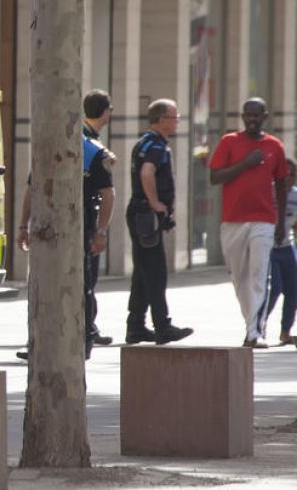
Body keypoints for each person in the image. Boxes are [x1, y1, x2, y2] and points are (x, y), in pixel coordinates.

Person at [15, 104, 115, 361]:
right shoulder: (45, 150)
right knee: (41, 284)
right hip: (46, 228)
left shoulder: (93, 152)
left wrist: (101, 232)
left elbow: (107, 195)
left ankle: (83, 340)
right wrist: (23, 226)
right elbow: (32, 188)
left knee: (81, 285)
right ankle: (40, 342)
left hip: (81, 228)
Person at [209, 98, 289, 348]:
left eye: (257, 115)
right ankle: (250, 321)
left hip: (263, 220)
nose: (252, 119)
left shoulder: (274, 146)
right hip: (233, 219)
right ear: (243, 116)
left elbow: (282, 186)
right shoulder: (229, 142)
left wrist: (280, 224)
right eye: (248, 115)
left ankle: (253, 331)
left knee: (258, 274)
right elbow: (215, 177)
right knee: (239, 276)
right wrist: (245, 164)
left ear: (265, 116)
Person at [125, 98, 192, 345]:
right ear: (162, 120)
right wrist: (155, 203)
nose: (177, 122)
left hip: (140, 214)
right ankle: (162, 326)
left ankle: (136, 326)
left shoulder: (144, 142)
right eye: (175, 117)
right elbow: (147, 172)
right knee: (156, 272)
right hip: (145, 214)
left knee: (143, 273)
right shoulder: (156, 146)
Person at [81, 89, 115, 346]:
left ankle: (88, 327)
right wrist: (101, 231)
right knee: (86, 278)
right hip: (83, 221)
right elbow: (107, 193)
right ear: (106, 111)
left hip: (77, 220)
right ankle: (86, 330)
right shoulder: (92, 146)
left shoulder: (88, 141)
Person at [264, 159, 297, 345]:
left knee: (293, 290)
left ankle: (285, 331)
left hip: (286, 248)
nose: (287, 180)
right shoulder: (267, 193)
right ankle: (260, 326)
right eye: (284, 176)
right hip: (267, 249)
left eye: (292, 176)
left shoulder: (295, 197)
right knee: (274, 288)